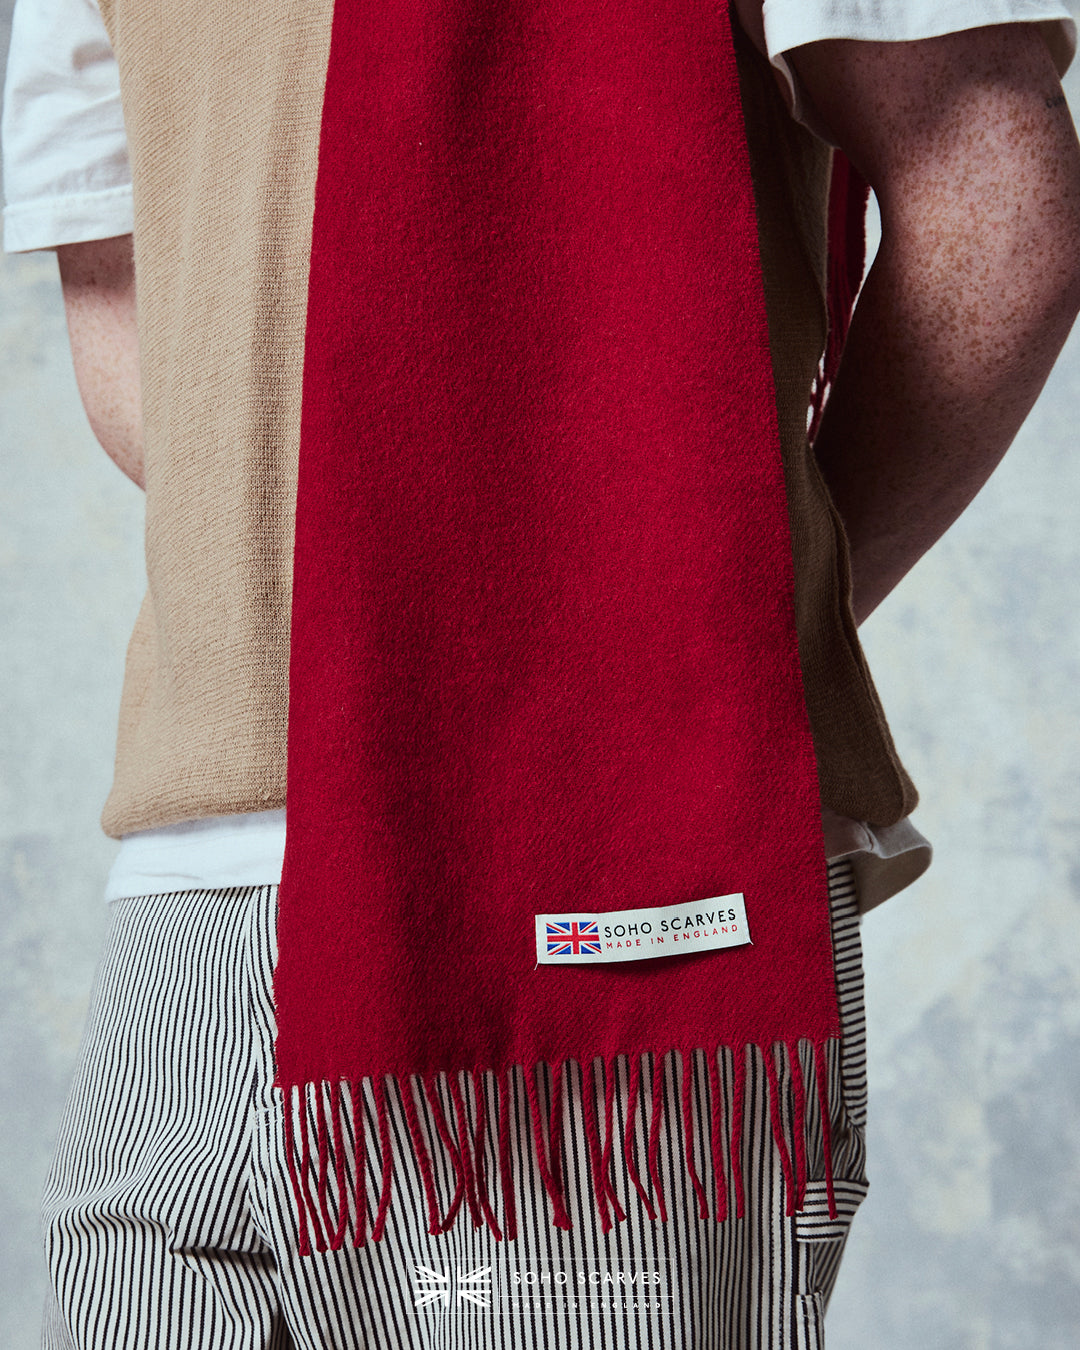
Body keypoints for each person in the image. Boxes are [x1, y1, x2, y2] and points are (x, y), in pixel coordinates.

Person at [4, 0, 1080, 1346]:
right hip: (189, 892)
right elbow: (141, 308)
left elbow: (993, 196)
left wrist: (674, 648)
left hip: (592, 863)